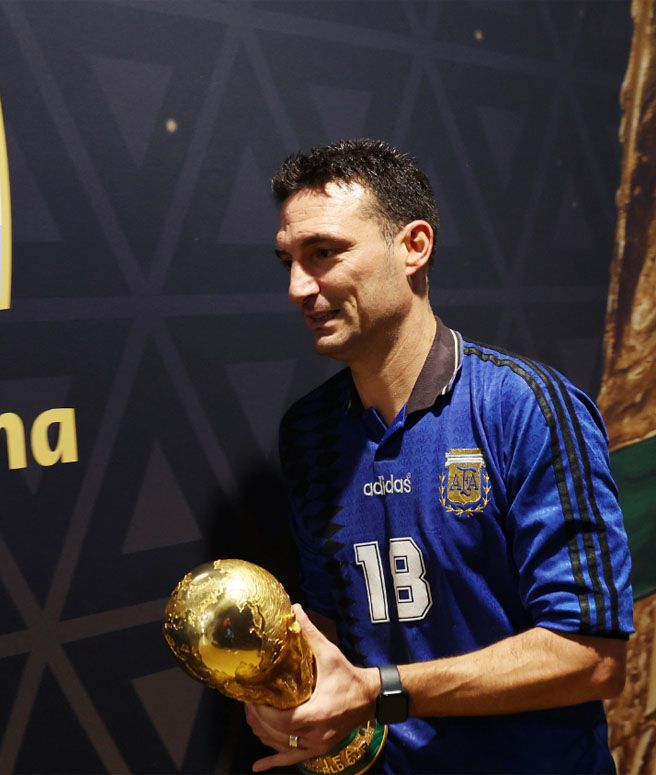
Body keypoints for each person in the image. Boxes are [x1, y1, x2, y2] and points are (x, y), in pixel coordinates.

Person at [246, 138, 634, 773]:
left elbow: (592, 656)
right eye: (288, 259)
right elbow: (331, 617)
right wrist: (293, 699)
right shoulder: (308, 431)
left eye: (324, 254)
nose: (297, 287)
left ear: (413, 247)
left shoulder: (525, 406)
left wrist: (380, 693)